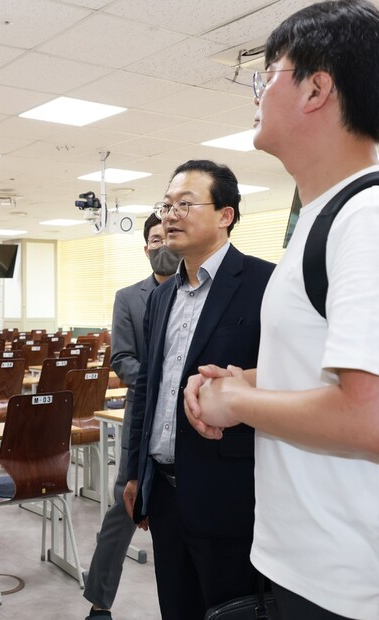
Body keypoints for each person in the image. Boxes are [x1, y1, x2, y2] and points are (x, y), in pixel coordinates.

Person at [183, 2, 379, 618]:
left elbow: (376, 419)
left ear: (316, 88)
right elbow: (337, 373)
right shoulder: (326, 218)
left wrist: (238, 403)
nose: (256, 92)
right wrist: (246, 381)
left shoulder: (376, 219)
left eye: (269, 73)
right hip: (316, 570)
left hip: (364, 584)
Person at [123, 159, 274, 619]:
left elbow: (286, 381)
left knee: (232, 610)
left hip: (230, 494)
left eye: (184, 204)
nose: (170, 214)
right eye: (166, 205)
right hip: (165, 492)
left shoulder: (265, 284)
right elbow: (147, 388)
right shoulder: (163, 294)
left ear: (225, 215)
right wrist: (135, 472)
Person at [83, 213, 179, 619]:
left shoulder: (195, 293)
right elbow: (122, 358)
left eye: (168, 239)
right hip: (143, 414)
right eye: (155, 240)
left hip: (190, 414)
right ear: (146, 248)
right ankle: (100, 602)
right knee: (125, 506)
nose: (163, 247)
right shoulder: (129, 297)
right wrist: (162, 380)